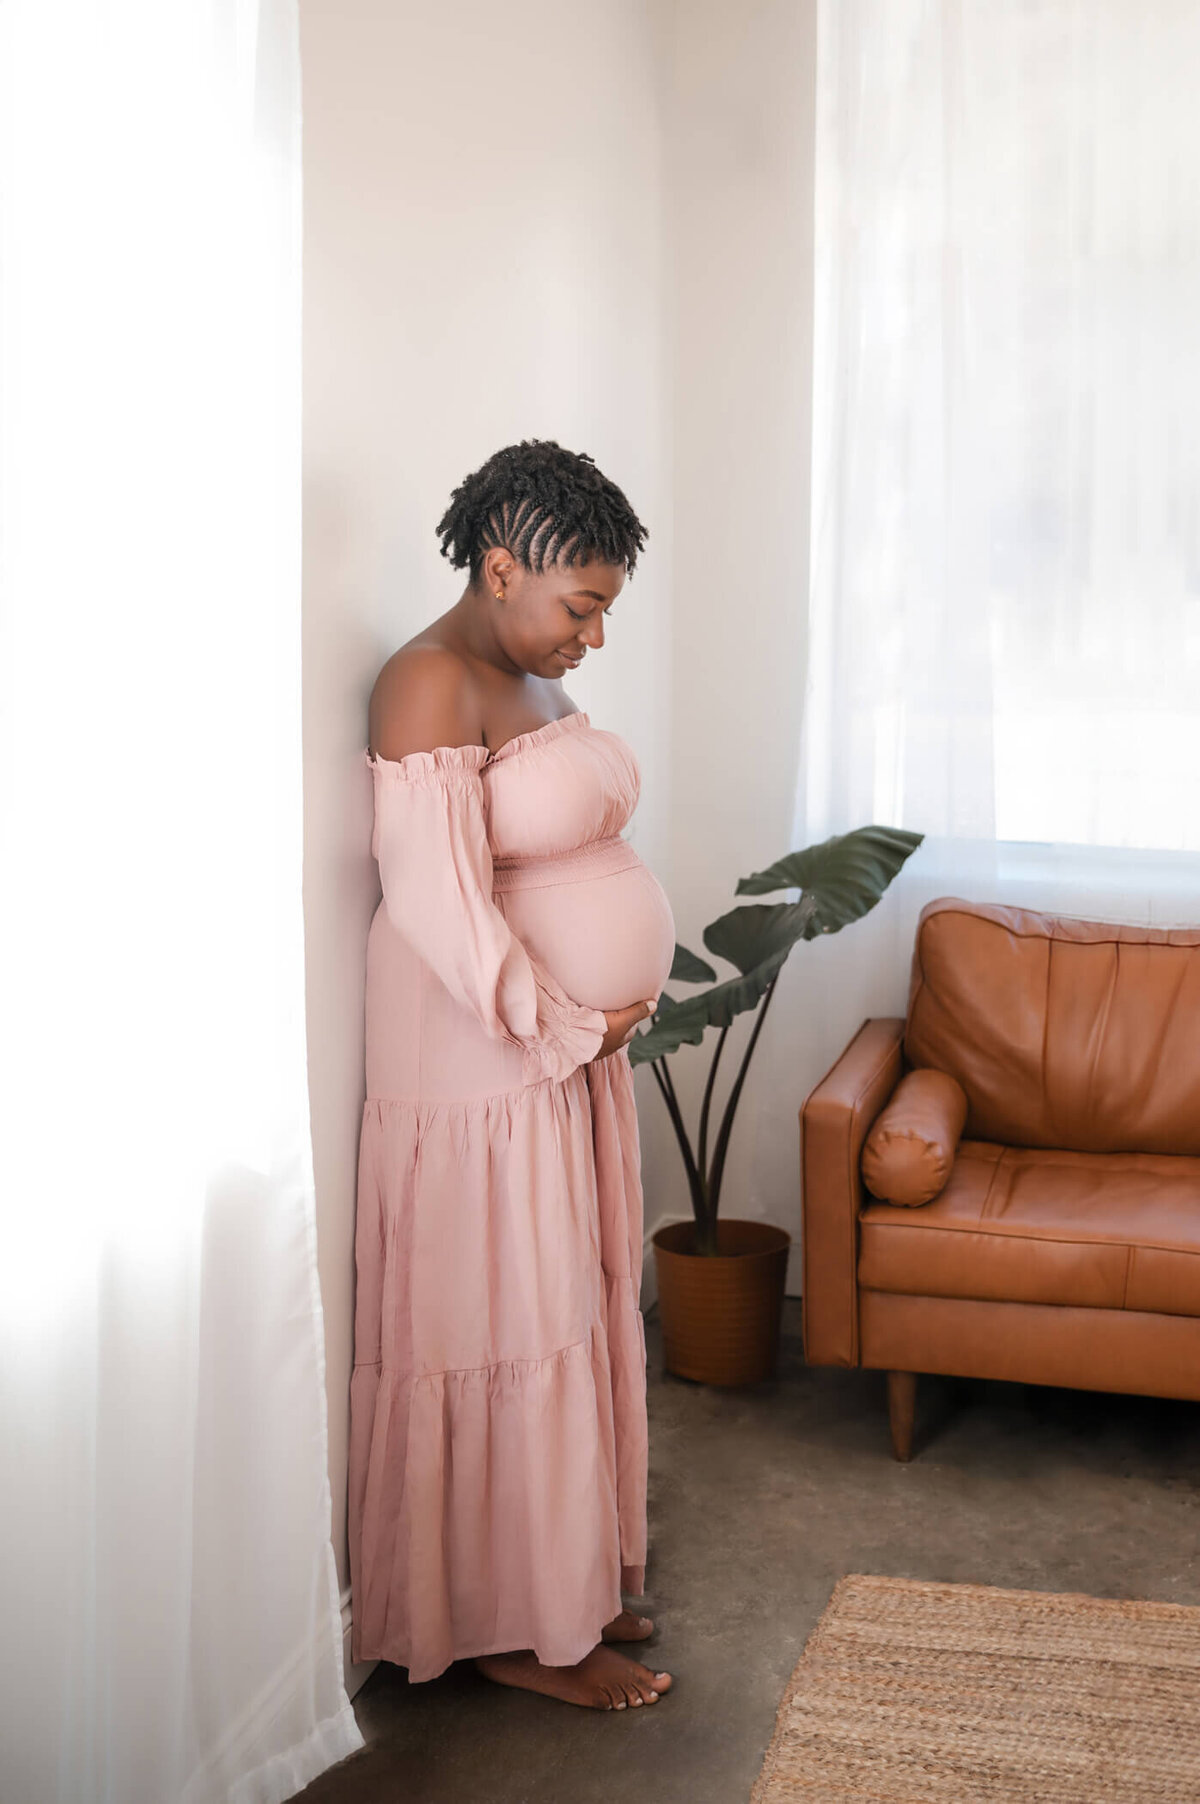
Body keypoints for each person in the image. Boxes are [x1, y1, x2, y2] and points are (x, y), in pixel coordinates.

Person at [347, 439, 677, 1712]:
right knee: (499, 1321)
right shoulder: (429, 682)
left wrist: (589, 1031)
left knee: (565, 1309)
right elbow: (437, 905)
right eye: (581, 606)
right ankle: (502, 1626)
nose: (591, 638)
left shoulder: (522, 677)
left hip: (552, 1065)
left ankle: (562, 1579)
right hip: (480, 1065)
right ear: (500, 567)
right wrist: (564, 1025)